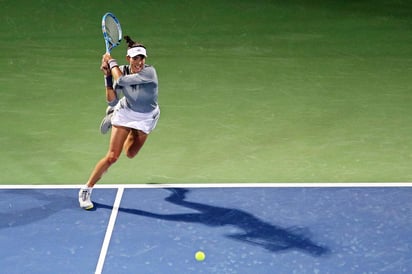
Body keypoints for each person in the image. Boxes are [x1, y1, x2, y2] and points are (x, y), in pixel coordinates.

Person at [78, 36, 160, 210]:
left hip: (146, 118)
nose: (139, 62)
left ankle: (119, 122)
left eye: (142, 58)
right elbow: (112, 101)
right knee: (112, 156)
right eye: (135, 58)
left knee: (130, 153)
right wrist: (107, 77)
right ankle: (86, 189)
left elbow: (121, 81)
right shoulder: (121, 70)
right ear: (128, 58)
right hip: (126, 112)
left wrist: (111, 62)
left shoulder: (149, 73)